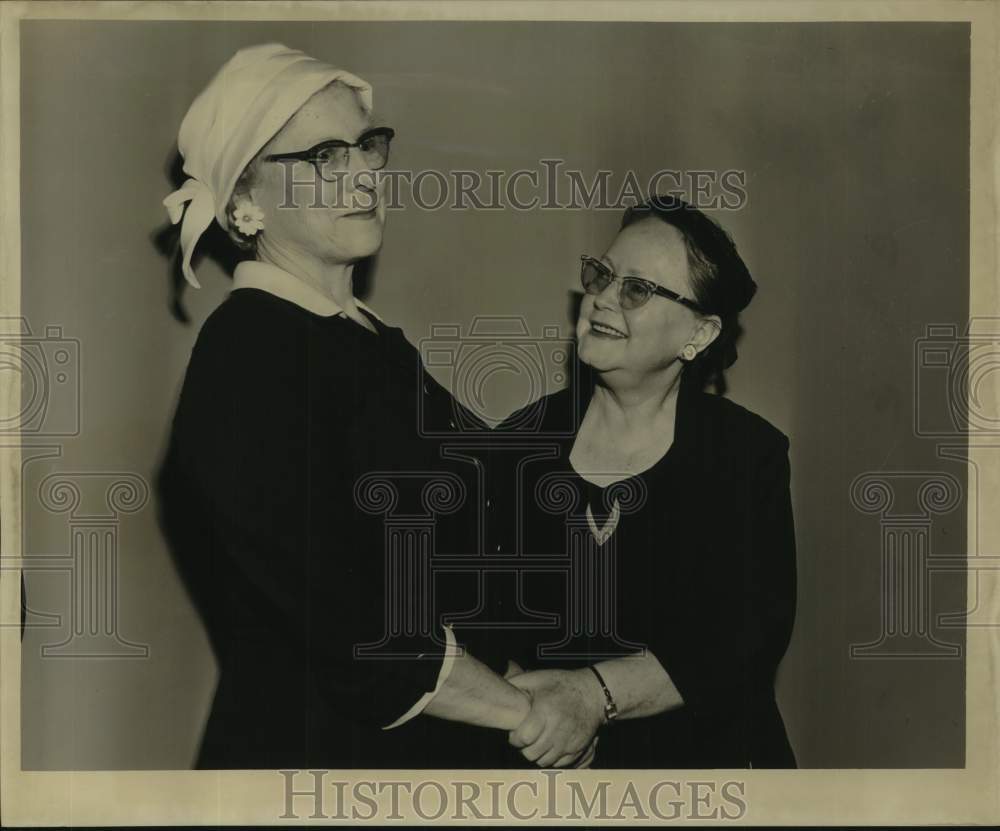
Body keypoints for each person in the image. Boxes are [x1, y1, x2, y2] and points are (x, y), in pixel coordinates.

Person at [155, 43, 533, 769]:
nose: (364, 173)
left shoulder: (368, 342)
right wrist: (522, 712)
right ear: (245, 202)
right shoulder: (249, 352)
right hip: (315, 759)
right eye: (325, 156)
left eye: (366, 146)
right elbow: (342, 613)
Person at [480, 195, 798, 769]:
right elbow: (472, 619)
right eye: (602, 273)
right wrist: (532, 714)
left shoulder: (746, 455)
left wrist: (591, 697)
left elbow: (745, 637)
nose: (601, 296)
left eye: (637, 289)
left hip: (708, 773)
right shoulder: (514, 445)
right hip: (551, 768)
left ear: (698, 334)